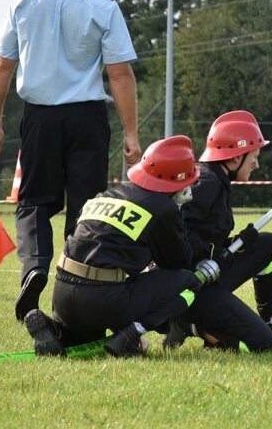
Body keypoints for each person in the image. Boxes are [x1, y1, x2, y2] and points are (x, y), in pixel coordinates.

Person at [0, 0, 142, 323]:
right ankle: (72, 292)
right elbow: (119, 75)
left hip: (39, 117)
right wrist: (132, 133)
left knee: (34, 202)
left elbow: (2, 67)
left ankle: (34, 266)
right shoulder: (103, 5)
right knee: (85, 209)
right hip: (87, 117)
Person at [24, 135, 225, 357]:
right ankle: (131, 334)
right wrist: (177, 215)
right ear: (178, 182)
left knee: (85, 341)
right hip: (103, 299)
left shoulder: (104, 196)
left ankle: (55, 330)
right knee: (189, 282)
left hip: (63, 295)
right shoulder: (162, 207)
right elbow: (178, 262)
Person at [171, 110, 272, 347]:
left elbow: (202, 235)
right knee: (261, 345)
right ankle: (189, 325)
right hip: (192, 285)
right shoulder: (206, 184)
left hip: (209, 271)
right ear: (233, 159)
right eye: (253, 158)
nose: (257, 164)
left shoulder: (216, 180)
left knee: (267, 244)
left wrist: (233, 244)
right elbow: (177, 235)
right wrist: (212, 254)